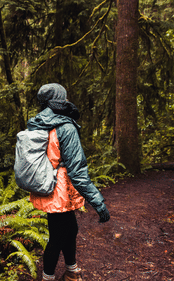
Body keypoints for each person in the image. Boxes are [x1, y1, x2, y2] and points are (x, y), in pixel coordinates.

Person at [28, 83, 110, 281]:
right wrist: (98, 202)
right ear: (59, 100)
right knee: (57, 237)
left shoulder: (38, 123)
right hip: (59, 190)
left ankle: (71, 272)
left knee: (70, 229)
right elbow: (78, 172)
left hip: (47, 185)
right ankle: (49, 278)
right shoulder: (65, 126)